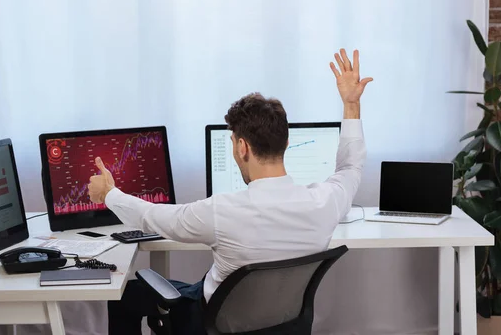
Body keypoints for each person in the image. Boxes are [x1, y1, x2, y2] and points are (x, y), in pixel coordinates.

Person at [88, 48, 372, 335]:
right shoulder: (326, 202)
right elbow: (351, 167)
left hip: (212, 323)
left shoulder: (222, 210)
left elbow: (153, 216)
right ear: (285, 144)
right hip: (285, 325)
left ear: (241, 147)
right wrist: (351, 105)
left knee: (125, 294)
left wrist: (109, 193)